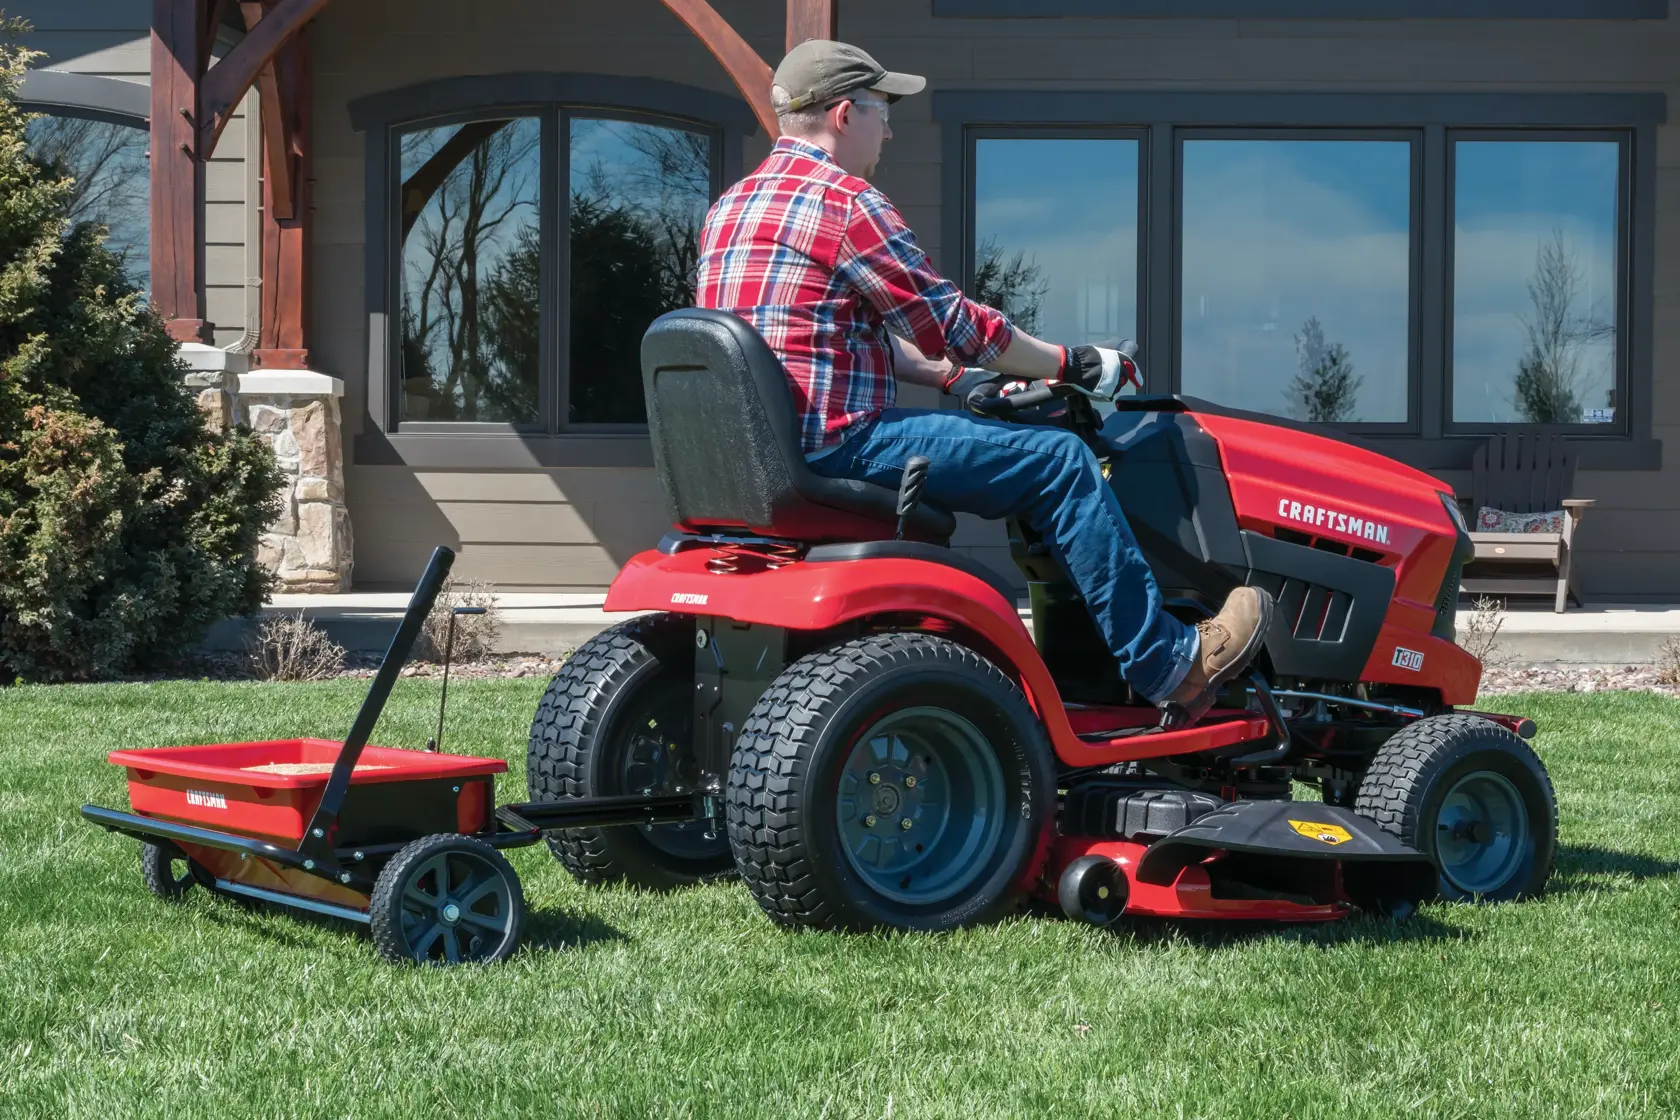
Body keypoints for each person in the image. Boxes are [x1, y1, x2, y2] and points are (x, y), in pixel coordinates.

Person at [694, 39, 1272, 725]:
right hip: (838, 444)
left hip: (754, 460)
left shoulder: (733, 207)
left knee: (1026, 454)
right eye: (883, 109)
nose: (891, 126)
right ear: (845, 114)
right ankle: (1171, 664)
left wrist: (953, 381)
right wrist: (1072, 364)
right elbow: (958, 325)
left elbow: (823, 338)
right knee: (1061, 461)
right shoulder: (845, 204)